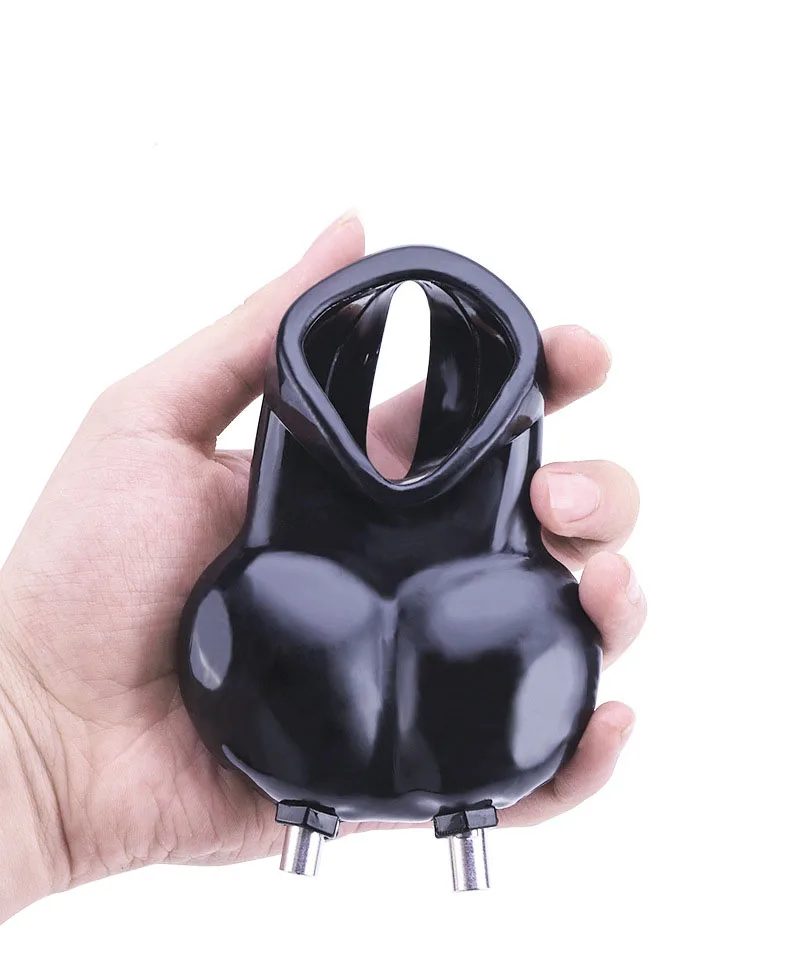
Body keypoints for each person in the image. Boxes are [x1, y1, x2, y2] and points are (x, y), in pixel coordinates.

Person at [0, 214, 645, 923]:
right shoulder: (279, 549)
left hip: (300, 714)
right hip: (419, 715)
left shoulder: (278, 567)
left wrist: (40, 770)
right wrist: (33, 752)